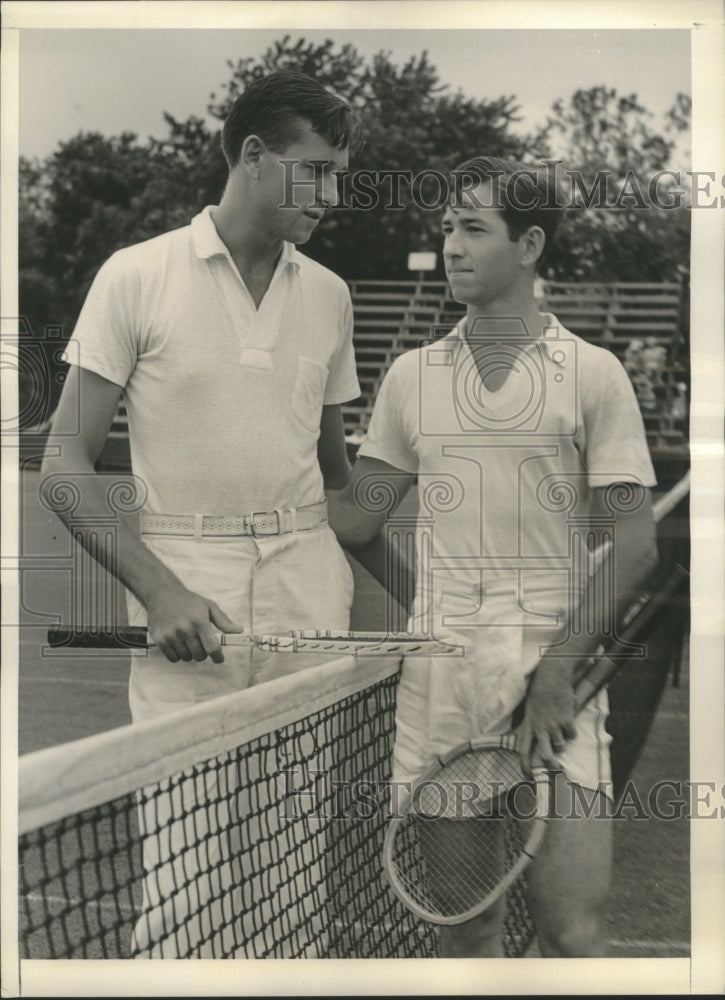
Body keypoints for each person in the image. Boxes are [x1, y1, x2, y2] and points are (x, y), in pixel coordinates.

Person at [41, 70, 366, 957]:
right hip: (189, 594)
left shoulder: (330, 295)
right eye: (316, 170)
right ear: (253, 156)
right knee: (186, 904)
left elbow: (339, 491)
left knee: (294, 893)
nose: (332, 196)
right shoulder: (135, 274)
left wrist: (435, 592)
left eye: (340, 174)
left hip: (309, 588)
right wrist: (164, 592)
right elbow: (63, 464)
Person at [327, 155, 659, 957]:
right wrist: (428, 613)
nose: (451, 245)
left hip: (558, 673)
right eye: (446, 227)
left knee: (571, 936)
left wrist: (555, 670)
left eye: (473, 228)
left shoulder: (592, 373)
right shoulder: (410, 376)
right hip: (443, 676)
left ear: (531, 243)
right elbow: (356, 524)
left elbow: (636, 542)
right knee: (465, 931)